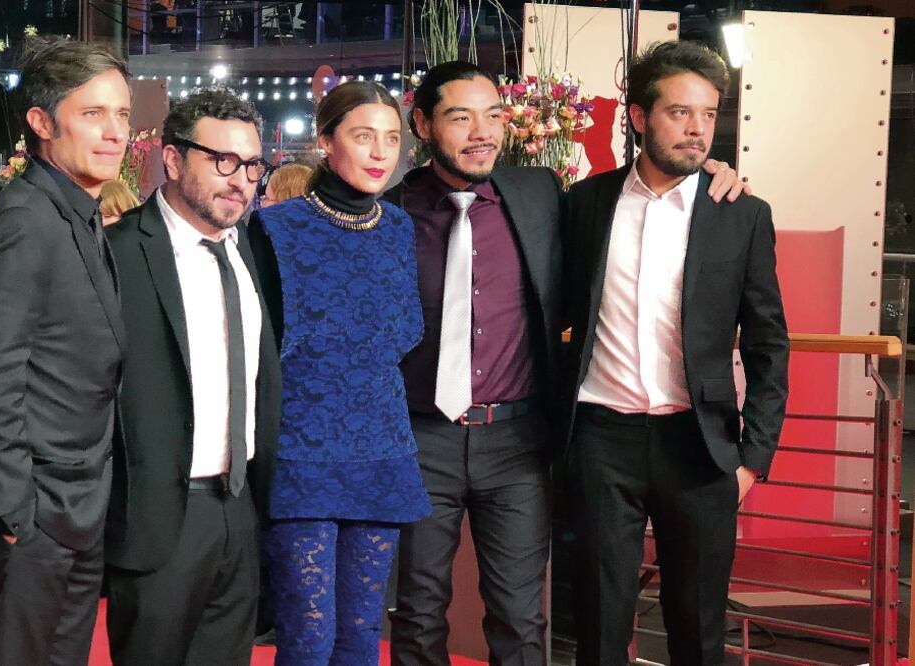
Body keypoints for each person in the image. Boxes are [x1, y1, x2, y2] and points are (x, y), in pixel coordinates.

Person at [385, 60, 746, 666]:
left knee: (522, 615)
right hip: (420, 439)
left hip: (518, 441)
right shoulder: (389, 213)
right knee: (419, 612)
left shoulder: (542, 195)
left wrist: (708, 170)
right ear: (422, 123)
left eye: (495, 115)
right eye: (460, 116)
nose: (483, 131)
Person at [560, 41, 789, 666]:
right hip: (601, 440)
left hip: (701, 445)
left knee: (697, 626)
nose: (697, 129)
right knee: (600, 627)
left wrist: (753, 459)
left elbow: (770, 343)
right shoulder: (584, 204)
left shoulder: (740, 215)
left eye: (708, 115)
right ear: (638, 117)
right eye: (679, 112)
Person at [0, 37, 129, 665]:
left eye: (122, 115)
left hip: (73, 505)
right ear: (42, 123)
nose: (114, 132)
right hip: (31, 515)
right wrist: (14, 510)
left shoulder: (78, 212)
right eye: (92, 114)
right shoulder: (26, 218)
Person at [253, 80, 431, 666]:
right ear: (326, 141)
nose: (381, 153)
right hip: (301, 451)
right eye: (363, 137)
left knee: (360, 638)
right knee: (307, 637)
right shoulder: (276, 229)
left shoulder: (401, 230)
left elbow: (406, 332)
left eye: (391, 138)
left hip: (380, 447)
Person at [102, 88, 281, 666]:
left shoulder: (252, 248)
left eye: (252, 165)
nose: (242, 180)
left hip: (239, 504)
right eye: (222, 161)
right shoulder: (117, 251)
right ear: (173, 160)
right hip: (158, 516)